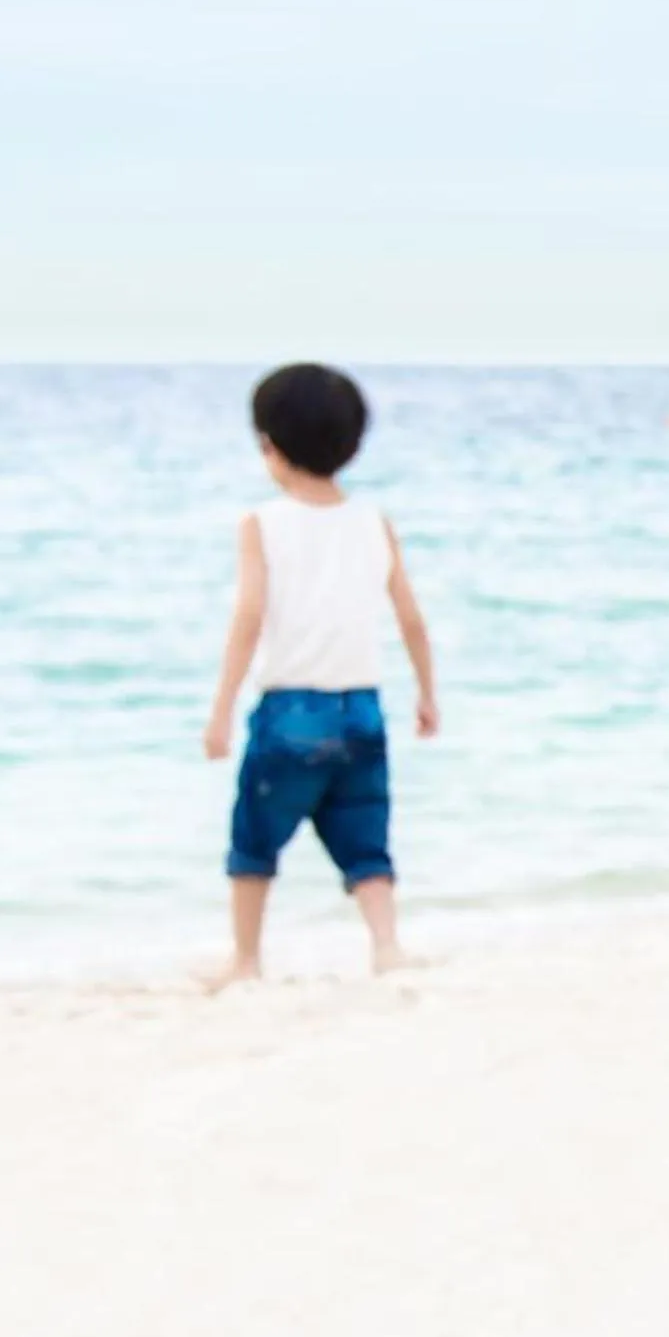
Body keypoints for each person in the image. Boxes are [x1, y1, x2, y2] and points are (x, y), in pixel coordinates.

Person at [201, 363, 438, 988]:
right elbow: (411, 618)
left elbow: (249, 616)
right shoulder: (373, 521)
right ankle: (386, 946)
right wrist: (427, 693)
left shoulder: (262, 524)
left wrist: (222, 709)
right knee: (366, 834)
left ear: (270, 449)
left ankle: (247, 960)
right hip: (361, 708)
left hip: (289, 712)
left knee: (254, 841)